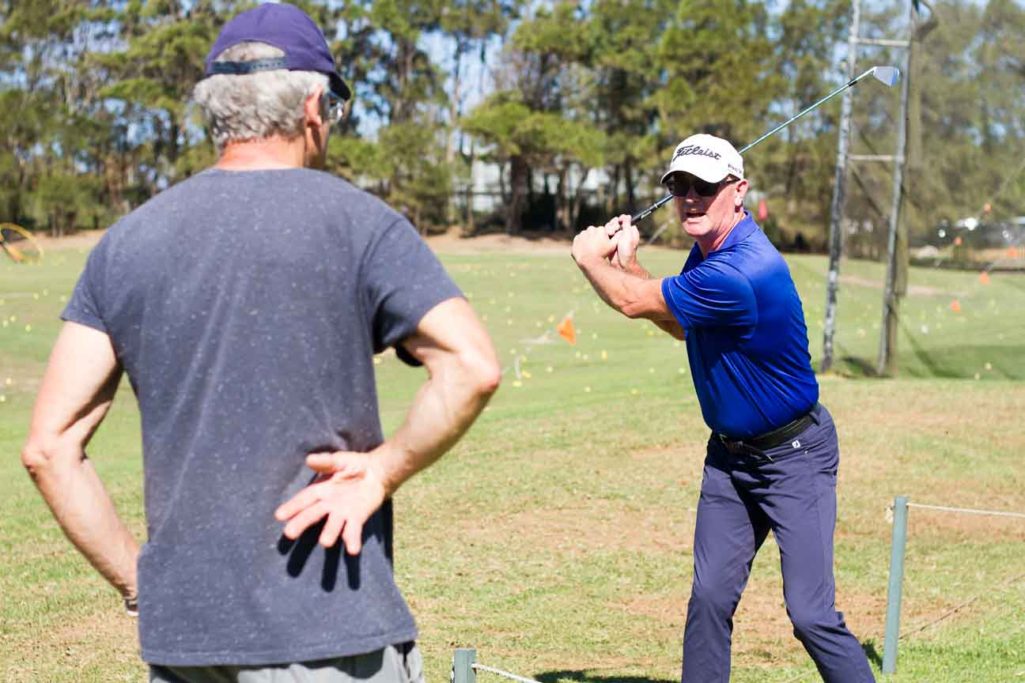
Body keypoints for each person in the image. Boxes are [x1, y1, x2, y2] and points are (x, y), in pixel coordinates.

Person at [20, 4, 500, 682]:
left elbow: (49, 447)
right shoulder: (362, 225)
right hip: (330, 633)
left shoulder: (124, 243)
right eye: (333, 108)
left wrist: (142, 583)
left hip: (186, 646)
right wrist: (384, 468)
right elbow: (471, 365)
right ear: (312, 107)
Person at [570, 133, 874, 682]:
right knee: (709, 599)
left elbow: (632, 302)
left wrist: (588, 259)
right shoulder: (709, 253)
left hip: (793, 458)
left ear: (738, 191)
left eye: (705, 187)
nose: (690, 197)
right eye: (679, 186)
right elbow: (680, 321)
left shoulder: (742, 270)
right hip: (730, 462)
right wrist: (632, 262)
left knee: (810, 614)